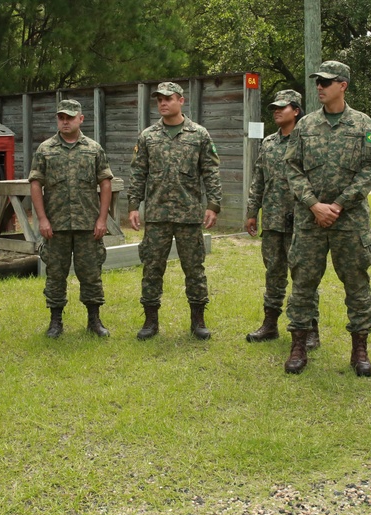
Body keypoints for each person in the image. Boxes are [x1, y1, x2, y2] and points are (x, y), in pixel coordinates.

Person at [282, 61, 371, 375]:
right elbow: (292, 168)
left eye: (327, 82)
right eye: (318, 82)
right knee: (302, 284)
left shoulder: (363, 124)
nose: (320, 87)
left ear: (343, 85)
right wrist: (314, 205)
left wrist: (337, 204)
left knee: (357, 284)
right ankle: (299, 345)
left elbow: (369, 171)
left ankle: (360, 349)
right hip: (310, 220)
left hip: (349, 220)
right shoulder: (306, 126)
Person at [128, 81, 222, 340]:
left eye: (168, 98)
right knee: (151, 267)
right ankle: (150, 321)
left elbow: (210, 171)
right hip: (157, 215)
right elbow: (139, 172)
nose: (162, 103)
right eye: (159, 99)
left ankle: (198, 320)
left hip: (188, 215)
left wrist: (213, 205)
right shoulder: (148, 136)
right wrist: (134, 205)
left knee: (194, 268)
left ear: (181, 100)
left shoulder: (199, 134)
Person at [29, 99, 114, 338]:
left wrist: (102, 219)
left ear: (80, 119)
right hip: (56, 225)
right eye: (61, 117)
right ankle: (55, 322)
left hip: (88, 224)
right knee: (55, 274)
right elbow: (36, 183)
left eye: (69, 117)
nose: (65, 122)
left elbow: (105, 183)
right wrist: (43, 219)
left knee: (91, 273)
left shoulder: (94, 149)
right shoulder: (45, 149)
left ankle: (94, 320)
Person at [244, 89, 318, 350]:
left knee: (304, 276)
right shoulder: (268, 143)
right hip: (274, 220)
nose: (276, 111)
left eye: (282, 107)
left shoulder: (309, 140)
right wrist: (252, 211)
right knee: (273, 273)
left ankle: (310, 329)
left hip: (302, 221)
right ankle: (270, 325)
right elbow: (259, 180)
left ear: (296, 110)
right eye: (274, 107)